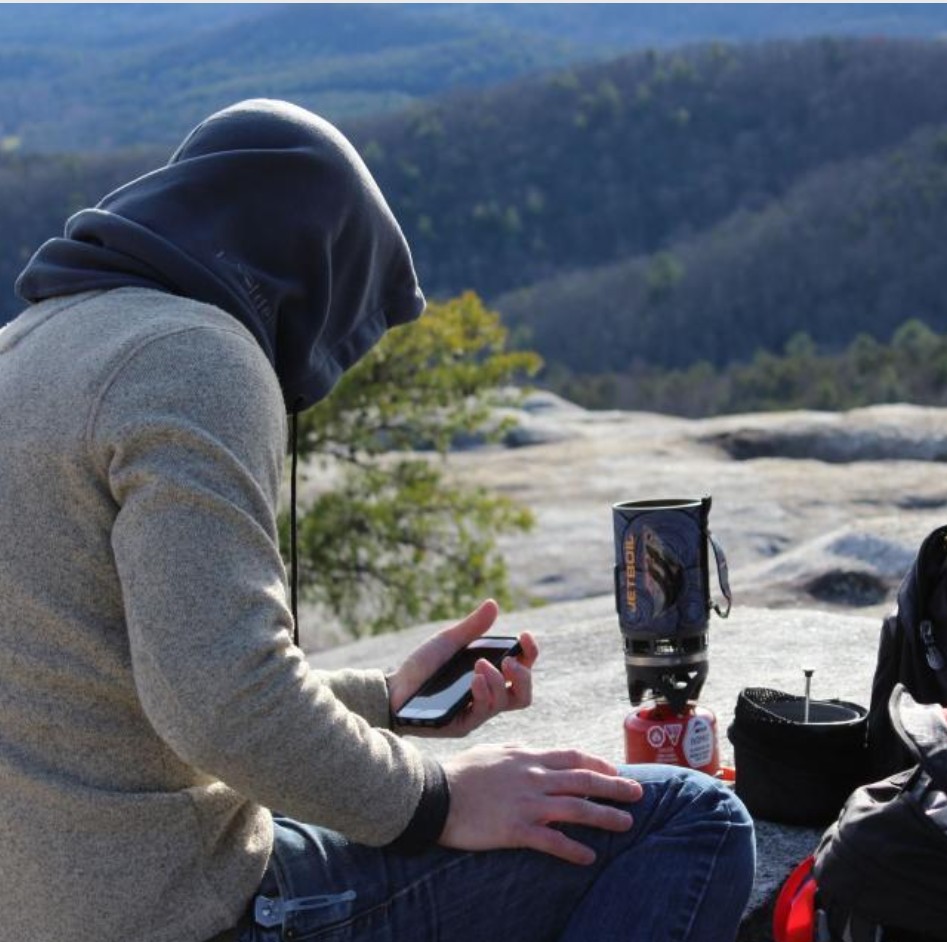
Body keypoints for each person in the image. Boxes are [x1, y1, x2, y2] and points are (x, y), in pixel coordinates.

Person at [0, 98, 755, 942]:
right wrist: (440, 797)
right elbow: (218, 707)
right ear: (315, 274)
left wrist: (384, 700)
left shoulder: (29, 344)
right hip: (179, 909)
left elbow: (119, 684)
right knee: (689, 818)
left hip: (57, 898)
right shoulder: (193, 357)